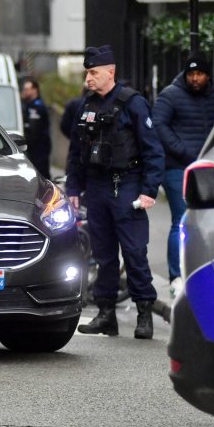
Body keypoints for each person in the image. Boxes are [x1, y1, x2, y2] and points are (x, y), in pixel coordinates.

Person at [66, 45, 165, 340]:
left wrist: (149, 190)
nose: (88, 79)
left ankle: (144, 312)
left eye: (93, 73)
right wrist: (73, 188)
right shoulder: (85, 106)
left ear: (111, 71)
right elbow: (75, 151)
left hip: (127, 185)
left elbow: (153, 150)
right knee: (104, 255)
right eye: (87, 73)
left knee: (134, 252)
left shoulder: (132, 103)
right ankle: (106, 313)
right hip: (96, 188)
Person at [151, 53, 214, 299]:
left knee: (207, 223)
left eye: (199, 74)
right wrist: (185, 152)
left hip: (206, 167)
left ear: (208, 75)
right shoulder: (171, 95)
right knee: (181, 220)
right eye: (191, 74)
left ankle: (198, 273)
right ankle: (176, 277)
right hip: (177, 168)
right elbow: (158, 125)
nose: (195, 78)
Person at [21, 78, 52, 179]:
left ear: (35, 90)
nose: (25, 92)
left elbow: (35, 129)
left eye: (27, 89)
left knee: (41, 175)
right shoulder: (27, 105)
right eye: (24, 89)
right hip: (33, 147)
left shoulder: (37, 106)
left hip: (39, 148)